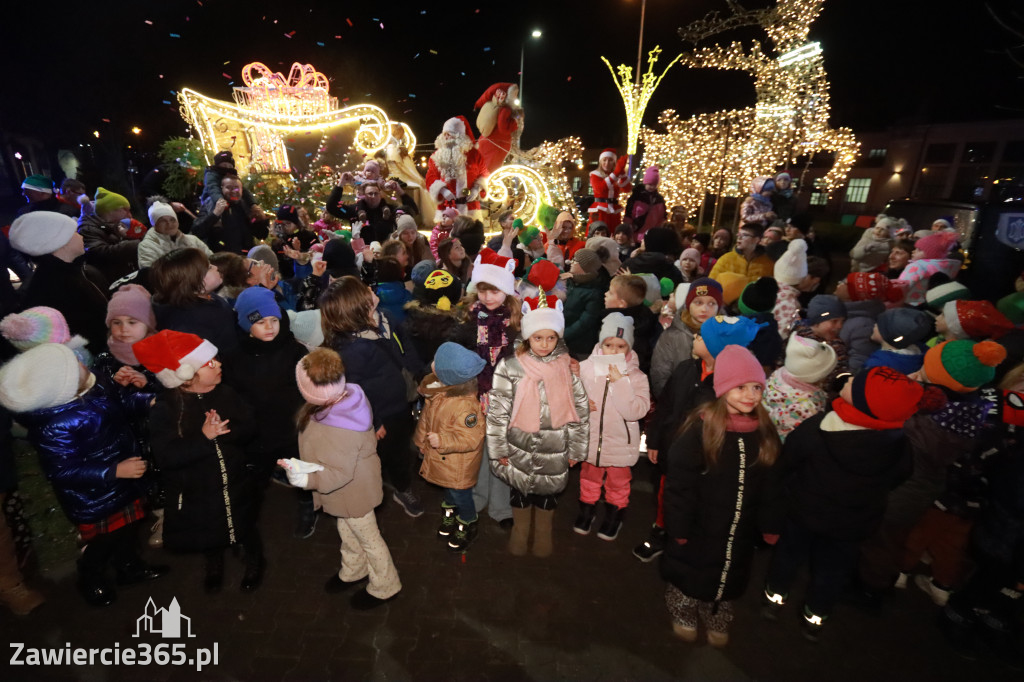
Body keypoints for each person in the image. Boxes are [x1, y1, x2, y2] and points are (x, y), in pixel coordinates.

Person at [0, 343, 168, 606]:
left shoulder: (93, 384)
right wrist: (114, 471)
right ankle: (90, 574)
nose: (82, 363)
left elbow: (119, 403)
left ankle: (128, 566)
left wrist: (147, 400)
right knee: (105, 539)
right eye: (73, 365)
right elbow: (62, 470)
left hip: (124, 481)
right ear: (60, 385)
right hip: (96, 495)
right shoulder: (54, 426)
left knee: (128, 530)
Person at [763, 368, 924, 641]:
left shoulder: (819, 428)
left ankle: (775, 597)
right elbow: (899, 477)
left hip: (804, 513)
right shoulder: (899, 446)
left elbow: (789, 458)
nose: (847, 380)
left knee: (789, 554)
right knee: (833, 570)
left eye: (853, 383)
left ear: (863, 401)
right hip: (853, 524)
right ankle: (816, 615)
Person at [662, 344, 783, 647]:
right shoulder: (701, 430)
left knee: (732, 570)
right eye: (740, 386)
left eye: (756, 386)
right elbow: (680, 485)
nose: (750, 394)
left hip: (741, 528)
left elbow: (773, 484)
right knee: (692, 569)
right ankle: (684, 605)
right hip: (700, 525)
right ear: (723, 387)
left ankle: (717, 607)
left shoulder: (764, 432)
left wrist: (770, 524)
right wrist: (678, 527)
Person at [139, 330, 263, 594]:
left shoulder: (227, 394)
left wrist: (229, 432)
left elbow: (250, 426)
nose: (219, 365)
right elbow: (167, 456)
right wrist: (204, 438)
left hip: (235, 482)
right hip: (198, 491)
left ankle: (254, 560)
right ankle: (214, 563)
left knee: (244, 525)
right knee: (209, 530)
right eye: (209, 363)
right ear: (186, 374)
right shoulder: (167, 410)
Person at [283, 348, 402, 610]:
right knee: (347, 530)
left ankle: (386, 585)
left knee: (369, 540)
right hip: (349, 491)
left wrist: (304, 478)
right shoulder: (349, 395)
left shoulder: (337, 427)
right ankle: (354, 570)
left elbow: (337, 473)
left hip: (353, 492)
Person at [486, 291, 589, 557]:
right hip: (517, 445)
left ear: (559, 337)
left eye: (551, 337)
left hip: (555, 447)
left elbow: (580, 413)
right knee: (519, 491)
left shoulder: (566, 368)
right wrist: (498, 451)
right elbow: (497, 413)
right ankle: (520, 533)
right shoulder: (509, 366)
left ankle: (544, 532)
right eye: (538, 337)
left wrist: (577, 450)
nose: (544, 344)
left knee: (548, 494)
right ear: (528, 336)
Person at [320, 277, 425, 517]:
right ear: (359, 308)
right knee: (392, 452)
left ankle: (398, 478)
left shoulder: (384, 316)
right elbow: (352, 392)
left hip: (399, 399)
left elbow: (404, 343)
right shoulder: (351, 349)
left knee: (400, 443)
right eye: (364, 291)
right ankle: (401, 487)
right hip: (381, 411)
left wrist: (416, 370)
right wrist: (374, 420)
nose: (370, 289)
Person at [223, 286, 311, 533]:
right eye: (260, 322)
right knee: (254, 478)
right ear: (245, 325)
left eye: (274, 320)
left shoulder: (294, 350)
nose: (270, 327)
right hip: (256, 433)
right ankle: (247, 518)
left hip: (292, 428)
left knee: (300, 473)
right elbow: (230, 394)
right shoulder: (233, 357)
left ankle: (307, 504)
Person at [451, 249, 520, 531]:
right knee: (478, 447)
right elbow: (457, 349)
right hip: (476, 394)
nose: (488, 297)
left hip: (506, 396)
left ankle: (501, 505)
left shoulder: (516, 321)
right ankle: (479, 495)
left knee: (501, 450)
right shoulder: (469, 318)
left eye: (495, 291)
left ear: (506, 290)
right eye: (483, 290)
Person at [576, 314, 651, 541]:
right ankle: (586, 512)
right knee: (589, 478)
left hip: (620, 442)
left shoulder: (637, 377)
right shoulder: (585, 368)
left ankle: (613, 517)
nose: (614, 351)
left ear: (629, 347)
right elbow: (571, 396)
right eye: (608, 345)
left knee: (618, 483)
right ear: (600, 344)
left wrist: (621, 382)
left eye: (621, 346)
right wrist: (581, 404)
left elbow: (636, 411)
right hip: (591, 439)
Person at [414, 342, 488, 552]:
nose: (433, 364)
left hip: (458, 465)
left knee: (461, 495)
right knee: (449, 491)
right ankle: (450, 514)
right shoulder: (441, 391)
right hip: (442, 460)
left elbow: (472, 439)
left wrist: (443, 441)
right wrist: (422, 443)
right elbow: (427, 420)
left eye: (437, 363)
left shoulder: (466, 407)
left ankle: (468, 521)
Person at [8, 213, 109, 355]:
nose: (81, 236)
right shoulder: (50, 286)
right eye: (74, 232)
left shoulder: (75, 271)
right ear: (60, 243)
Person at [150, 248, 239, 354]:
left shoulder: (205, 296)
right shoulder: (189, 324)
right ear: (193, 282)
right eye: (209, 268)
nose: (216, 267)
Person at [650, 277, 722, 396]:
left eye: (712, 303)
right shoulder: (671, 336)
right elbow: (660, 376)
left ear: (718, 308)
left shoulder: (730, 335)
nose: (704, 309)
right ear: (689, 305)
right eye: (698, 302)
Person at [763, 334, 837, 442]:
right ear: (817, 376)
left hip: (766, 431)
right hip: (783, 445)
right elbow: (806, 437)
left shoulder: (781, 373)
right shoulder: (807, 408)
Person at [425, 116, 489, 222]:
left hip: (470, 207)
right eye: (444, 134)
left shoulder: (474, 155)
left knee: (469, 234)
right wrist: (443, 190)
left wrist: (476, 189)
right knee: (447, 236)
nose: (446, 138)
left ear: (459, 137)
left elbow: (484, 173)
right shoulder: (436, 156)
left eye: (449, 134)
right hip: (447, 208)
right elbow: (430, 178)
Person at [78, 188, 142, 284]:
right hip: (108, 281)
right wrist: (136, 245)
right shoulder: (88, 228)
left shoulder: (111, 225)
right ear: (110, 211)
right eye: (125, 210)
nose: (130, 215)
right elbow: (97, 253)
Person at [192, 173, 266, 255]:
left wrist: (261, 220)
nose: (234, 191)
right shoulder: (211, 204)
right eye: (229, 188)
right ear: (222, 189)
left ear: (242, 190)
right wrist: (215, 214)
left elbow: (261, 234)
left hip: (245, 258)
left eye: (236, 188)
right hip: (222, 259)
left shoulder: (246, 206)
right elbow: (197, 231)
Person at [603, 274, 662, 376]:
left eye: (611, 293)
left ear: (622, 304)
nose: (605, 294)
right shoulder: (647, 316)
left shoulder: (621, 328)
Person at [563, 248, 611, 359]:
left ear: (585, 268)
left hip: (580, 345)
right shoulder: (572, 282)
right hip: (564, 339)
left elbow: (585, 322)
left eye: (575, 261)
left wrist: (564, 334)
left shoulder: (594, 292)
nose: (571, 262)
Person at [138, 199, 212, 268]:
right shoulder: (146, 246)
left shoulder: (193, 240)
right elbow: (152, 275)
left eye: (172, 219)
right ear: (154, 224)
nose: (169, 224)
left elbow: (212, 260)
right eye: (162, 221)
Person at [898, 231, 961, 306]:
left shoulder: (917, 266)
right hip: (928, 304)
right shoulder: (948, 268)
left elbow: (901, 286)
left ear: (930, 254)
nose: (913, 251)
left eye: (919, 250)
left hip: (909, 302)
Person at [863, 308, 933, 374]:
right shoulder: (922, 353)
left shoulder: (878, 365)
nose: (875, 325)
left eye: (879, 325)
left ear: (888, 334)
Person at [474, 82, 522, 173]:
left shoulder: (498, 108)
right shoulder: (505, 110)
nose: (516, 97)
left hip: (489, 143)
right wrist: (515, 123)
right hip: (496, 146)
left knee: (482, 170)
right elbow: (503, 129)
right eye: (515, 95)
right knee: (489, 172)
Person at [709, 223, 775, 284]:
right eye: (739, 235)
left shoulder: (768, 263)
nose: (739, 238)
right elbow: (711, 282)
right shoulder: (726, 259)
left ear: (756, 240)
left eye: (745, 235)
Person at [588, 149, 631, 230]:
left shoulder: (616, 175)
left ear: (614, 162)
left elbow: (627, 189)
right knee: (599, 233)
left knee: (614, 234)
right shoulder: (595, 174)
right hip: (600, 211)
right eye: (604, 160)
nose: (607, 163)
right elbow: (600, 189)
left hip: (614, 211)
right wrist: (615, 174)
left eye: (610, 160)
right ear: (600, 161)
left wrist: (622, 174)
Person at [624, 166, 667, 241]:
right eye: (650, 184)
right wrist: (629, 229)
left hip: (651, 235)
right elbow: (629, 214)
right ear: (645, 183)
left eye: (654, 185)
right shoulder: (637, 196)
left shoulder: (659, 199)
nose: (652, 187)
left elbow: (662, 217)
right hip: (636, 233)